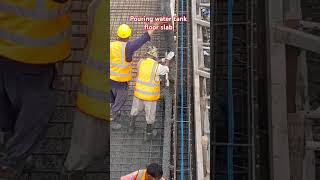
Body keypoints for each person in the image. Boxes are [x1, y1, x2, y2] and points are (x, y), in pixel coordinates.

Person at [0, 0, 71, 178]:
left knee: (8, 117)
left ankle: (11, 159)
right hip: (37, 58)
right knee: (32, 121)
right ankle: (10, 165)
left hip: (7, 51)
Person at [62, 0, 109, 178]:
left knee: (81, 151)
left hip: (92, 92)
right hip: (115, 96)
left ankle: (74, 172)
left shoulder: (98, 5)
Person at [110, 22, 162, 130]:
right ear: (128, 36)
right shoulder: (128, 47)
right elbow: (144, 38)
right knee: (120, 100)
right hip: (121, 82)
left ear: (117, 35)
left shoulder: (111, 45)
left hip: (109, 79)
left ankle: (115, 111)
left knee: (111, 99)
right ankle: (112, 119)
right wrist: (156, 24)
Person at [128, 46, 174, 141]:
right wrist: (168, 60)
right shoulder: (157, 67)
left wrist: (162, 60)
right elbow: (165, 69)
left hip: (138, 94)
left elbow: (151, 65)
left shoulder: (140, 62)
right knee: (150, 117)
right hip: (150, 97)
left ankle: (131, 128)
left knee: (134, 111)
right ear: (155, 55)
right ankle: (148, 135)